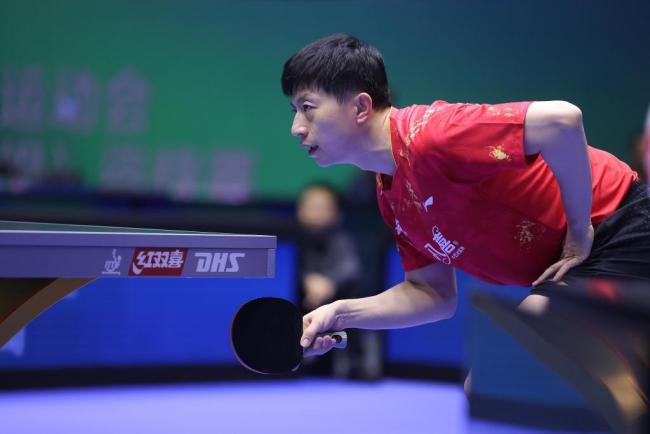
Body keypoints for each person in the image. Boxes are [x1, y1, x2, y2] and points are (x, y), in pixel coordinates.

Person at [281, 34, 649, 431]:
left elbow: (563, 119)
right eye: (294, 110)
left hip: (621, 227)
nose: (296, 128)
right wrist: (340, 313)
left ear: (360, 107)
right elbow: (431, 294)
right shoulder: (391, 197)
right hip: (583, 263)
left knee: (504, 375)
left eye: (307, 108)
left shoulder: (434, 134)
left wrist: (579, 231)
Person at [295, 182, 382, 379]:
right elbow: (285, 268)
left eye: (322, 207)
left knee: (352, 299)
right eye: (310, 206)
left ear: (337, 214)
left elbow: (350, 268)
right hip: (301, 298)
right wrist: (306, 280)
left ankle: (356, 362)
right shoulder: (291, 240)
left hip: (332, 298)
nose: (315, 213)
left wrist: (330, 283)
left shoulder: (342, 241)